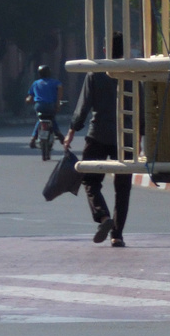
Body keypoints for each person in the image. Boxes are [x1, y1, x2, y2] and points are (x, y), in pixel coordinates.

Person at [69, 35, 129, 247]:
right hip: (126, 136)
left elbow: (83, 106)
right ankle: (117, 235)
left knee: (89, 179)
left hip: (98, 134)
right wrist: (141, 133)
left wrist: (72, 130)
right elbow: (141, 103)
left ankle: (103, 217)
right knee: (123, 187)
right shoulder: (132, 72)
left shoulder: (95, 72)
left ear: (105, 49)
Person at [26, 65, 62, 162]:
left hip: (39, 106)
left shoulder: (35, 83)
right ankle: (59, 134)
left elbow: (29, 97)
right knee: (51, 119)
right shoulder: (55, 82)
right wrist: (58, 104)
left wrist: (28, 101)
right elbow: (59, 89)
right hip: (51, 106)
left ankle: (33, 139)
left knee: (40, 120)